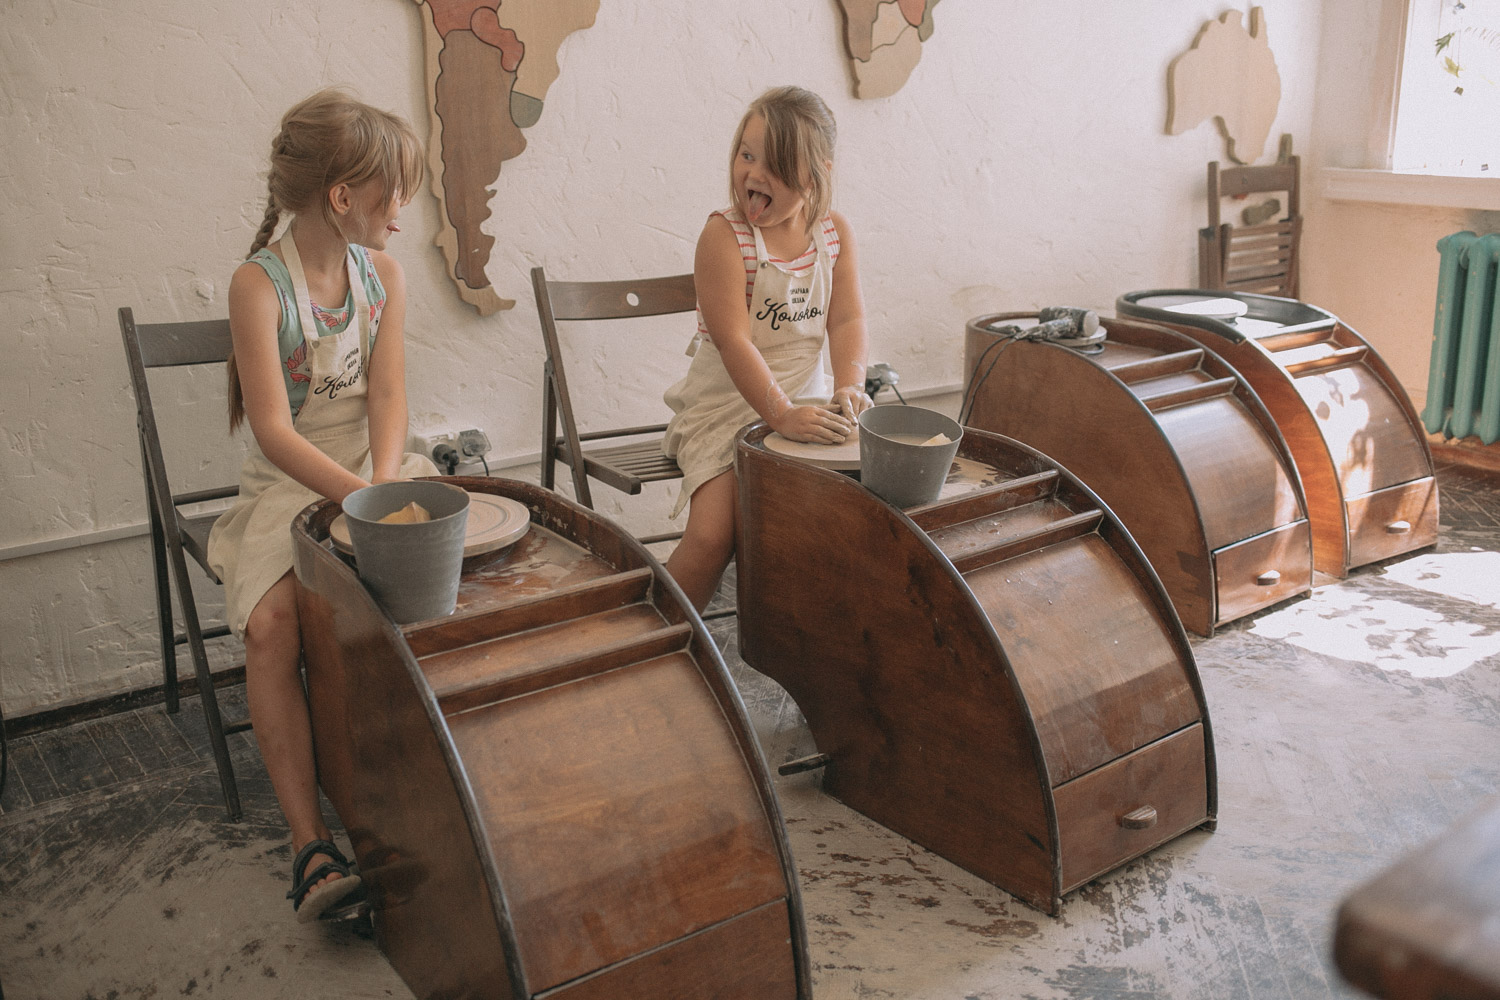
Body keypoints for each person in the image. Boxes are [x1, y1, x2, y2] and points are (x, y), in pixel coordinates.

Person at [206, 88, 435, 922]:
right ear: (342, 197)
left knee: (429, 584)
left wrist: (382, 484)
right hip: (292, 482)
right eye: (392, 190)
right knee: (273, 628)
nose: (402, 208)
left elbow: (389, 397)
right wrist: (357, 500)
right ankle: (310, 844)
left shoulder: (384, 276)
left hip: (372, 466)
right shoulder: (258, 285)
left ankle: (421, 798)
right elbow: (272, 432)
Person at [663, 85, 871, 611]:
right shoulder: (724, 237)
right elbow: (733, 342)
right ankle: (654, 638)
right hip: (725, 407)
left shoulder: (833, 233)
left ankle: (800, 634)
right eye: (746, 154)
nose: (753, 173)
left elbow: (847, 319)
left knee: (847, 518)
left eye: (774, 164)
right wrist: (779, 414)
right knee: (713, 536)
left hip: (809, 404)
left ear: (816, 174)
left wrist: (850, 385)